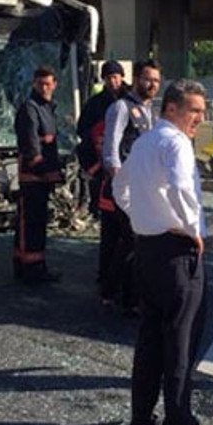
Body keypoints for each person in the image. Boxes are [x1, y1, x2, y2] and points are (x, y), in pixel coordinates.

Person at [113, 79, 213, 425]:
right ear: (172, 109)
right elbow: (181, 189)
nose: (200, 117)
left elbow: (119, 188)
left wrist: (141, 219)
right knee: (180, 348)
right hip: (178, 254)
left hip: (148, 251)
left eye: (202, 110)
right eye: (194, 110)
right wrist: (192, 230)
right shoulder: (176, 143)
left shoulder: (144, 141)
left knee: (149, 343)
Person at [99, 59, 161, 311]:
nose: (152, 84)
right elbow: (111, 149)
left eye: (156, 80)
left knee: (128, 243)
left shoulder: (150, 112)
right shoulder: (121, 108)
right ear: (136, 79)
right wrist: (118, 183)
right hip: (126, 188)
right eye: (148, 79)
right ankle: (130, 300)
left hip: (143, 187)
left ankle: (111, 290)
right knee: (134, 241)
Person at [77, 60, 126, 290]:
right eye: (109, 77)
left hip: (130, 177)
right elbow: (83, 135)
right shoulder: (96, 105)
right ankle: (106, 278)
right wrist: (93, 168)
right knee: (109, 231)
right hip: (103, 175)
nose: (113, 81)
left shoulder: (131, 101)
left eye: (116, 77)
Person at [13, 66, 65, 282]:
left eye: (48, 84)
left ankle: (36, 266)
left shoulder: (47, 109)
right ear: (34, 84)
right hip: (33, 177)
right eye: (40, 84)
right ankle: (28, 270)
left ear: (54, 85)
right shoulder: (30, 108)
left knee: (38, 223)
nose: (44, 88)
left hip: (43, 177)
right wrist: (47, 170)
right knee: (29, 225)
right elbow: (32, 145)